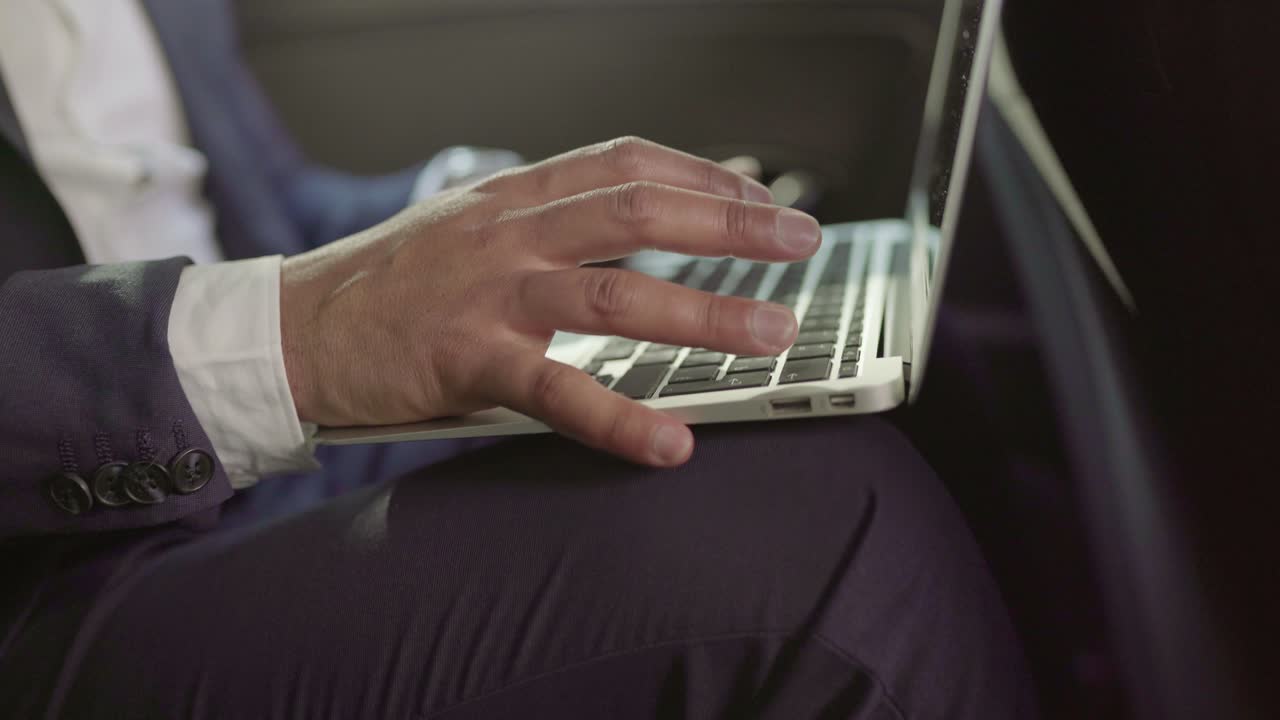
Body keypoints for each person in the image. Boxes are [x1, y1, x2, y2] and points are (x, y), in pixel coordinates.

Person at [0, 0, 1036, 717]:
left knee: (862, 353)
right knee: (825, 537)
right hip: (41, 580)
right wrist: (297, 337)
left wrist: (514, 225)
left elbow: (245, 205)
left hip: (249, 437)